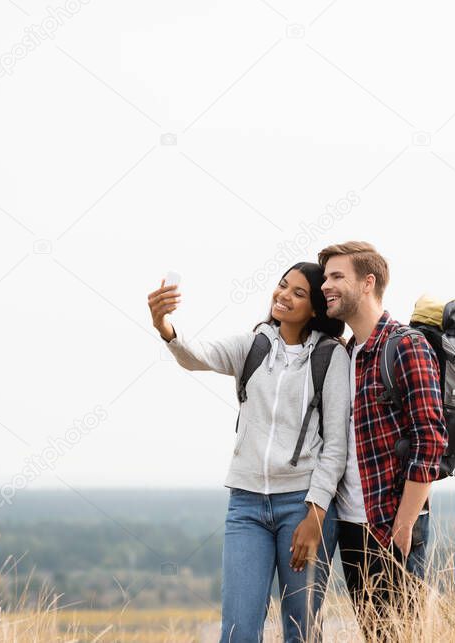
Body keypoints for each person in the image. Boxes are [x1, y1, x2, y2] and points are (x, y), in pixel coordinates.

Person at [147, 262, 349, 643]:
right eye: (282, 285)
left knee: (301, 631)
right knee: (238, 631)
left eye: (298, 293)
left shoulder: (330, 356)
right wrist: (165, 327)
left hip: (302, 506)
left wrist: (316, 513)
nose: (283, 295)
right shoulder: (252, 346)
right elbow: (196, 355)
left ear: (316, 309)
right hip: (246, 506)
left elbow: (335, 446)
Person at [318, 241, 447, 640]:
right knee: (376, 635)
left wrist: (404, 526)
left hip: (391, 523)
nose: (326, 285)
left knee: (400, 635)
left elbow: (430, 442)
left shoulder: (406, 346)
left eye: (337, 276)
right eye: (325, 277)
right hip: (351, 525)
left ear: (368, 282)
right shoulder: (345, 352)